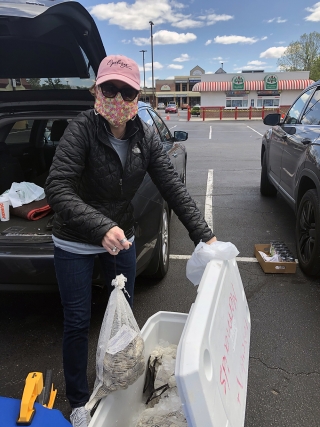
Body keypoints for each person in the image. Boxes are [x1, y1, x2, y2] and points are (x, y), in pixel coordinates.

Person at [45, 54, 216, 427]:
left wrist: (206, 235)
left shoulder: (145, 135)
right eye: (111, 88)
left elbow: (172, 186)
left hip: (121, 238)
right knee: (77, 321)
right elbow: (57, 187)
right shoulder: (81, 130)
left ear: (138, 97)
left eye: (127, 91)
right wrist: (100, 227)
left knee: (124, 321)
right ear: (97, 90)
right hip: (75, 240)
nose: (118, 99)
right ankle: (78, 399)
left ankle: (117, 385)